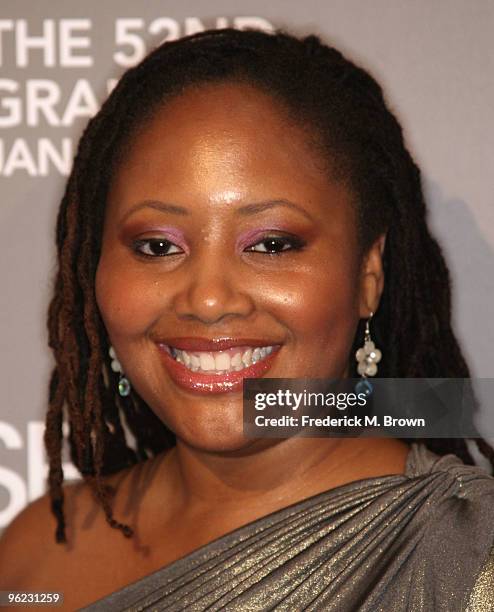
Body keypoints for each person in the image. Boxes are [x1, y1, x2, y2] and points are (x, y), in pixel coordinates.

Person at [0, 27, 493, 611]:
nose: (208, 300)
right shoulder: (37, 553)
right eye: (157, 246)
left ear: (368, 276)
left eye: (272, 245)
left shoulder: (470, 552)